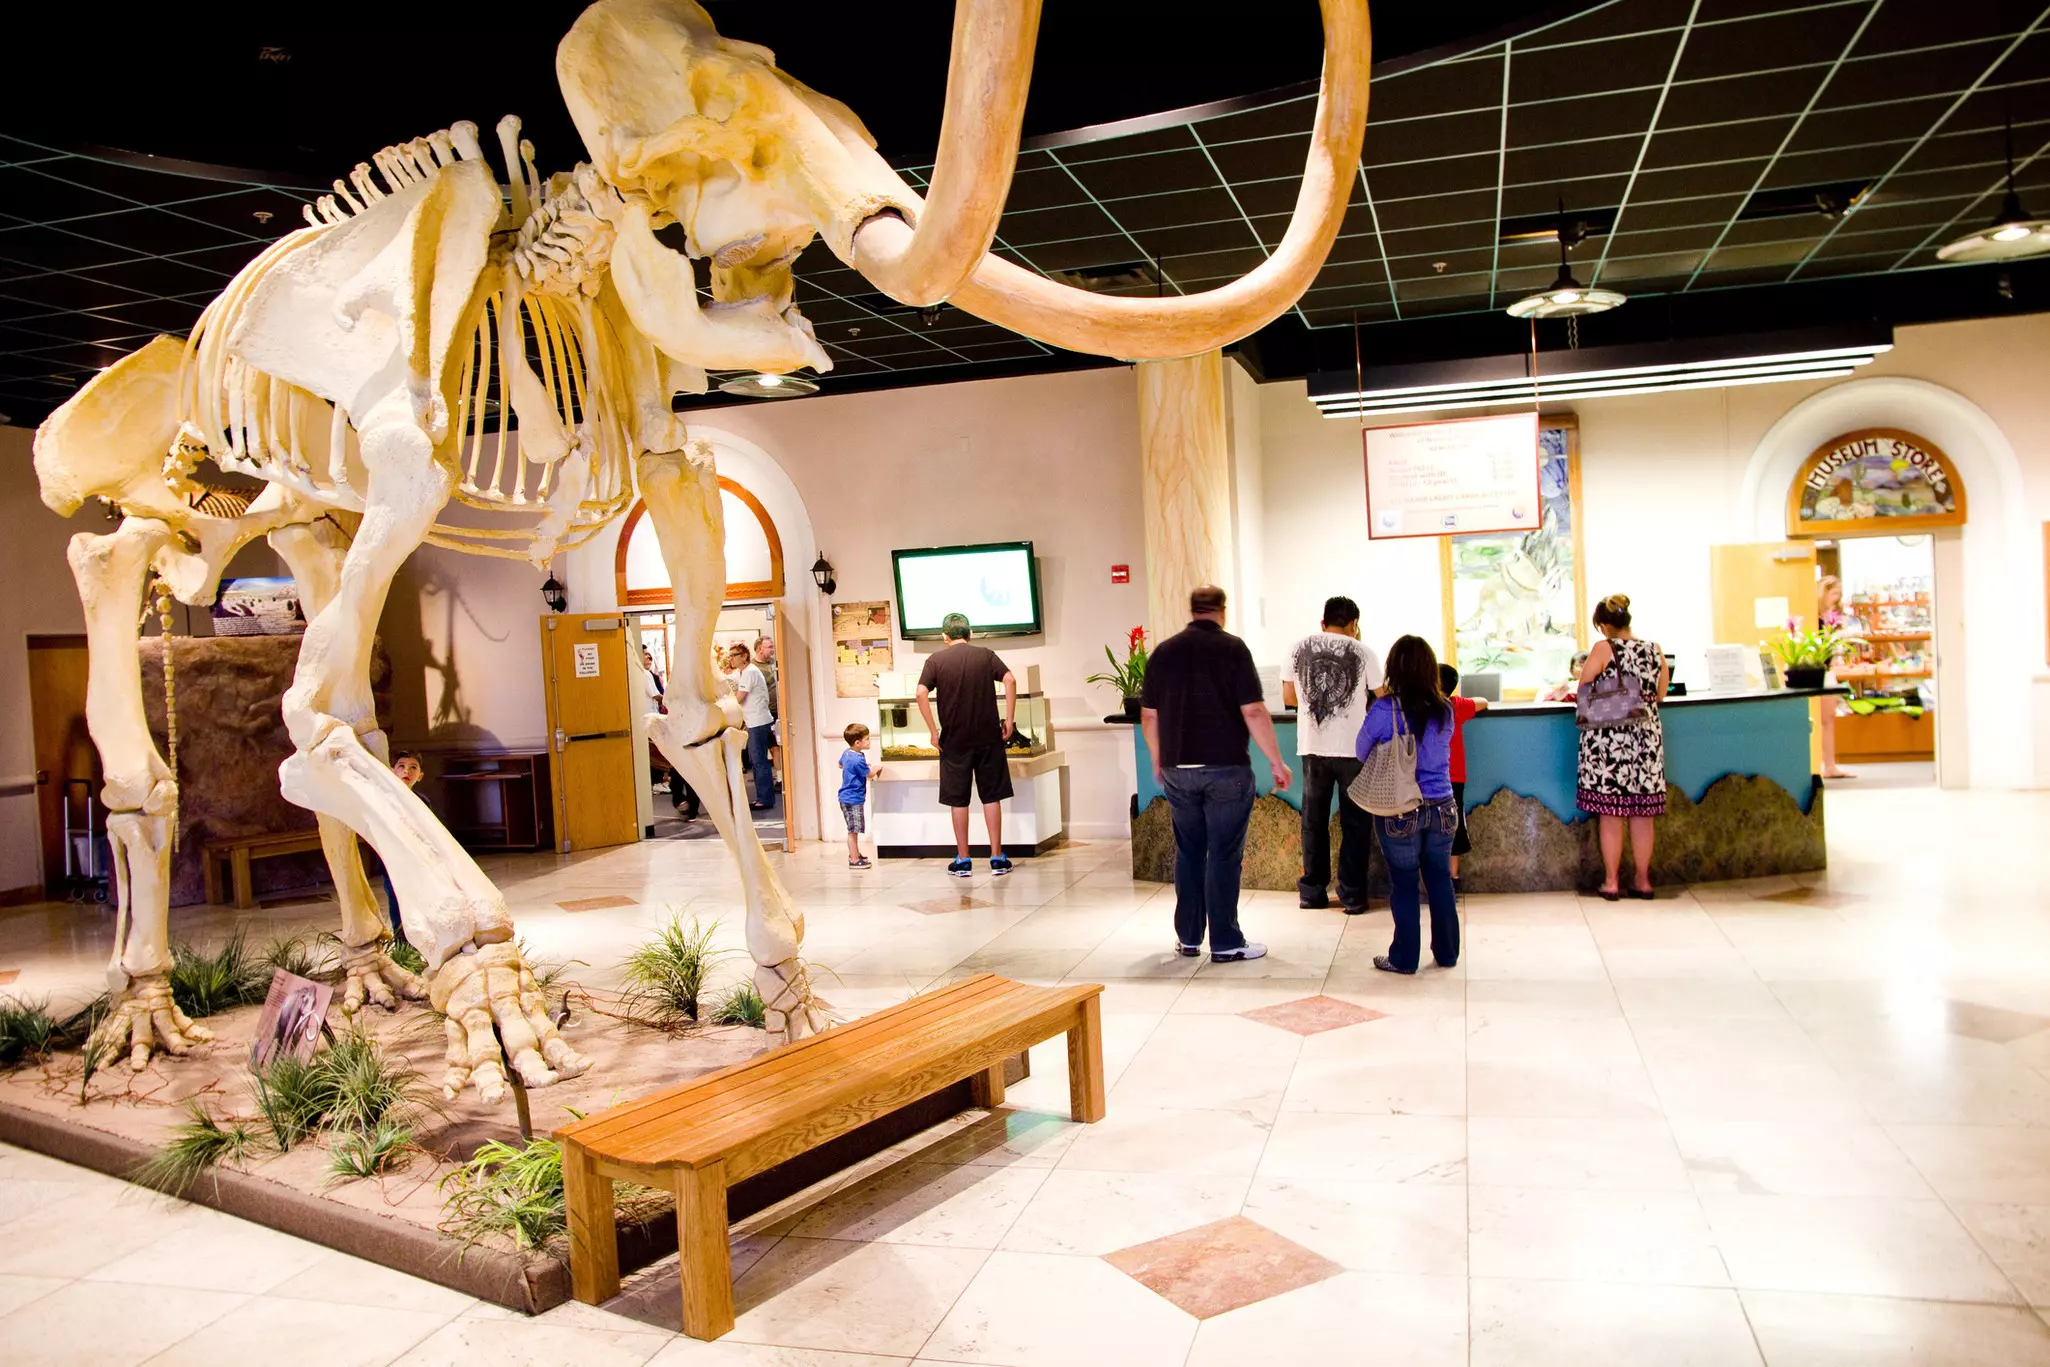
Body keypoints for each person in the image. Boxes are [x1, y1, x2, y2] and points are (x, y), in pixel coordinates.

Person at [1141, 585, 1293, 963]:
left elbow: (1149, 715)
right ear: (1221, 611)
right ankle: (1225, 941)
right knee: (1224, 854)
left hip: (1179, 771)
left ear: (1192, 610)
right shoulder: (1233, 649)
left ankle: (1189, 938)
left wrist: (1159, 759)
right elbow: (1254, 711)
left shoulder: (1164, 651)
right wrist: (1276, 761)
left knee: (1189, 852)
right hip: (1226, 768)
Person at [1356, 636, 1460, 974]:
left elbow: (1360, 750)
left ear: (1393, 669)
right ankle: (1447, 953)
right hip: (1443, 805)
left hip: (1400, 807)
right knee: (1440, 879)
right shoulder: (1445, 708)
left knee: (1403, 883)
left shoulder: (1385, 710)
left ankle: (1404, 958)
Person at [1281, 596, 1382, 913]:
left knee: (1313, 820)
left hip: (1313, 748)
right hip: (1354, 749)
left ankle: (1312, 892)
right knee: (1356, 823)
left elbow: (1289, 698)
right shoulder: (1364, 651)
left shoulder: (1297, 648)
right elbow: (1383, 698)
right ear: (1354, 624)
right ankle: (1351, 895)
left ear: (1323, 622)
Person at [1576, 593, 1670, 900]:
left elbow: (1583, 688)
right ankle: (1643, 881)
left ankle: (1612, 881)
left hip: (1610, 742)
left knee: (1611, 813)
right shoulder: (1654, 649)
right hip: (1646, 740)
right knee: (1643, 815)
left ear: (1603, 626)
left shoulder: (1603, 648)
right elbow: (1660, 694)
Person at [916, 613, 1018, 877]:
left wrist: (933, 730)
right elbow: (1010, 679)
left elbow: (920, 693)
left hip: (954, 740)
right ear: (969, 633)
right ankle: (996, 857)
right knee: (991, 795)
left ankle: (963, 859)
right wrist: (1010, 719)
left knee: (958, 799)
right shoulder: (985, 655)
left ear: (944, 636)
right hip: (988, 738)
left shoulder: (935, 660)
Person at [1438, 663, 1489, 896]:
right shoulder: (1455, 706)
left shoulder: (1419, 708)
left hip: (1425, 778)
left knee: (1428, 826)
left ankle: (1431, 877)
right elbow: (1483, 702)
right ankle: (1453, 878)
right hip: (1455, 776)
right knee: (1453, 825)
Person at [381, 751, 425, 948]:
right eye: (401, 766)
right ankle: (402, 949)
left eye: (413, 767)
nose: (407, 771)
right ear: (393, 770)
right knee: (396, 905)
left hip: (417, 863)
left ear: (420, 775)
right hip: (392, 863)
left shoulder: (423, 802)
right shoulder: (384, 799)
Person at [726, 643, 777, 810]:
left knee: (759, 761)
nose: (731, 658)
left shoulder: (750, 672)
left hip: (758, 722)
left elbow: (739, 698)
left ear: (744, 656)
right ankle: (763, 797)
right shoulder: (744, 672)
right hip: (755, 721)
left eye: (734, 655)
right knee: (757, 761)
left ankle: (765, 798)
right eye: (730, 655)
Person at [1817, 575, 1853, 780]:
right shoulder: (1815, 617)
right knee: (1822, 720)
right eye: (1835, 593)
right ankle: (1825, 764)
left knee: (1829, 719)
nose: (1837, 598)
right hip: (1818, 672)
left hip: (1828, 671)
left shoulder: (1832, 616)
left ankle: (1830, 765)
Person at [838, 723, 881, 869]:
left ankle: (855, 853)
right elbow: (869, 774)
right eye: (867, 739)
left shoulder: (847, 753)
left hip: (847, 797)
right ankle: (854, 859)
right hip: (852, 798)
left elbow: (840, 765)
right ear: (858, 742)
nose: (869, 742)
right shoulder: (857, 759)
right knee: (853, 830)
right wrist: (876, 768)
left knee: (853, 828)